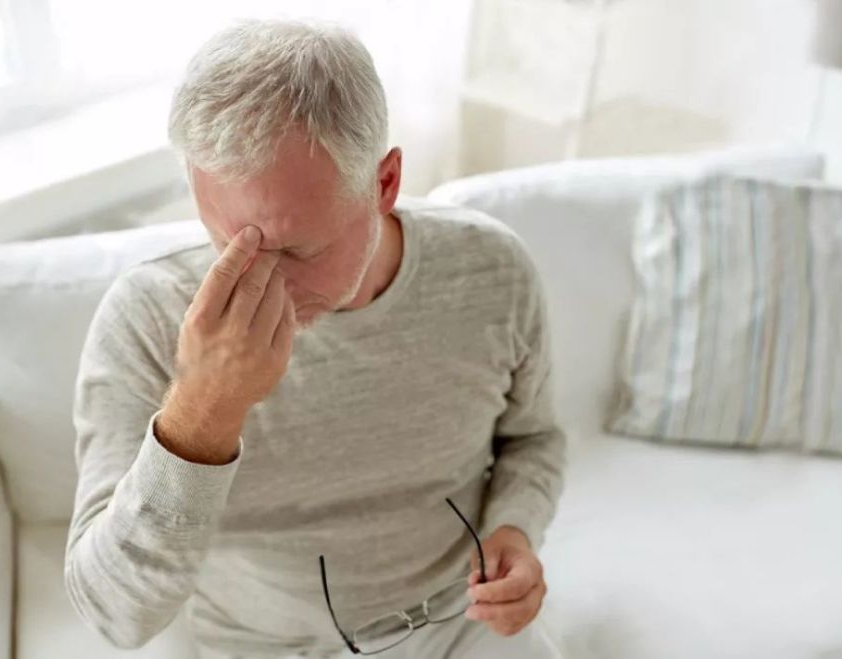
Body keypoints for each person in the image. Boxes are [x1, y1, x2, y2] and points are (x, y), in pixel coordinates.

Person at [65, 18, 566, 659]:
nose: (256, 285)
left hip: (459, 625)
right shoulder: (146, 318)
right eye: (226, 243)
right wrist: (203, 413)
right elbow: (114, 617)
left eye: (297, 249)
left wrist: (516, 529)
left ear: (384, 183)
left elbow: (533, 437)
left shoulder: (492, 271)